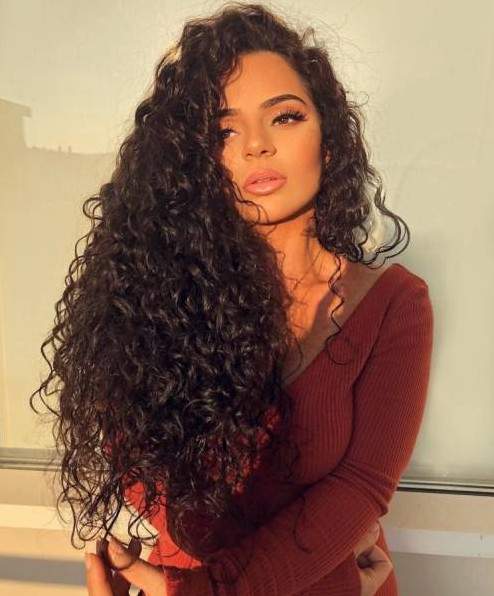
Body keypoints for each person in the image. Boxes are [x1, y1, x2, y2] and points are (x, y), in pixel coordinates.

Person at [29, 3, 434, 595]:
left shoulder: (394, 303)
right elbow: (160, 496)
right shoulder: (153, 302)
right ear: (195, 162)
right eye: (223, 131)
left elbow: (361, 489)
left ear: (329, 137)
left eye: (285, 117)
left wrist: (202, 591)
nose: (256, 147)